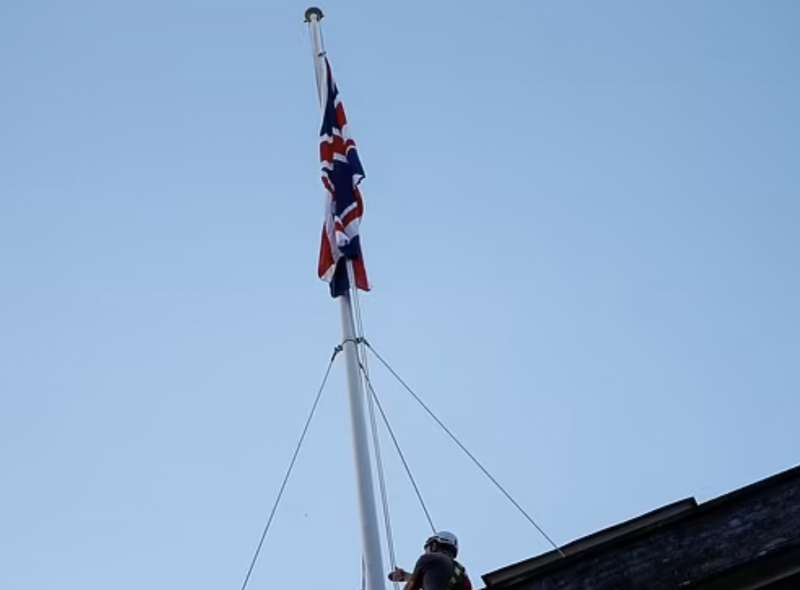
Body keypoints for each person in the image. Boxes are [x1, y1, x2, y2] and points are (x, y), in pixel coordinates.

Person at [387, 531, 472, 590]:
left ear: (434, 545)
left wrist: (409, 579)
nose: (426, 552)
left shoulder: (428, 559)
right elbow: (436, 579)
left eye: (427, 547)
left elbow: (412, 586)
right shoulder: (460, 571)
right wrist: (405, 576)